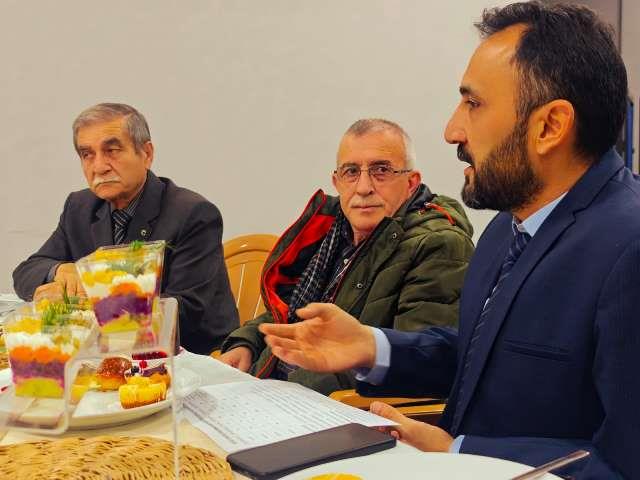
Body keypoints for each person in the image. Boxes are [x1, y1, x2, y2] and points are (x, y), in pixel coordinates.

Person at [260, 3, 639, 478]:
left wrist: (459, 452)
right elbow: (482, 355)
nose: (451, 131)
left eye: (473, 104)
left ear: (549, 126)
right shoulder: (507, 228)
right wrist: (371, 347)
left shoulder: (629, 247)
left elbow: (625, 463)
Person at [220, 118, 474, 394]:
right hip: (272, 388)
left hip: (332, 406)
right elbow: (289, 313)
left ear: (411, 182)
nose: (364, 187)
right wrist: (246, 343)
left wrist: (282, 394)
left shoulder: (438, 245)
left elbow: (418, 364)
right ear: (337, 182)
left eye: (381, 170)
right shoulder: (332, 230)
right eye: (351, 172)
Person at [12, 103, 239, 354]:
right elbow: (26, 272)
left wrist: (85, 302)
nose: (99, 167)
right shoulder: (79, 206)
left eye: (112, 150)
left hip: (191, 356)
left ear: (147, 154)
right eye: (87, 154)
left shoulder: (193, 213)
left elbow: (184, 312)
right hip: (105, 354)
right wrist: (59, 271)